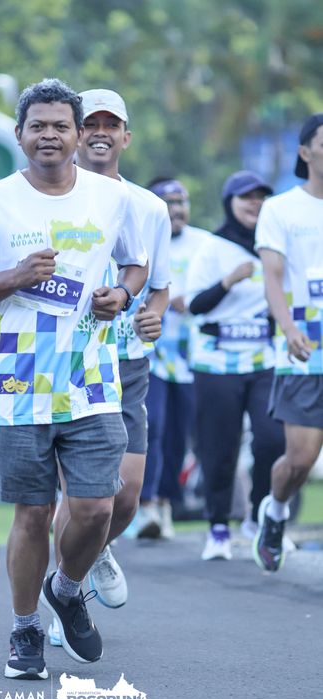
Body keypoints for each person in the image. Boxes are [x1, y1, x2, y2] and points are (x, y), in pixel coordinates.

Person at [0, 78, 148, 680]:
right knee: (33, 515)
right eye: (38, 126)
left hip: (92, 379)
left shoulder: (111, 199)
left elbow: (136, 264)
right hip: (17, 383)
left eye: (62, 126)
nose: (50, 136)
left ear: (79, 134)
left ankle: (66, 587)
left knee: (97, 508)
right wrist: (14, 276)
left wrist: (121, 295)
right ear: (19, 135)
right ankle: (25, 628)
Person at [49, 88, 170, 634]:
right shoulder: (49, 197)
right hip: (69, 360)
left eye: (110, 124)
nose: (100, 133)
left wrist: (152, 317)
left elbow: (158, 286)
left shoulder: (150, 207)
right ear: (76, 133)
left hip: (127, 362)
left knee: (125, 499)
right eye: (90, 123)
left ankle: (94, 550)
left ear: (126, 137)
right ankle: (65, 597)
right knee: (78, 498)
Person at [185, 170, 286, 561]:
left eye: (261, 198)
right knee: (220, 448)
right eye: (246, 198)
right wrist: (229, 281)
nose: (254, 204)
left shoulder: (274, 245)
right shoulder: (212, 247)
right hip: (216, 363)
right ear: (230, 203)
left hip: (265, 360)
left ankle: (258, 517)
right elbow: (194, 305)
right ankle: (218, 528)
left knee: (273, 440)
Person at [253, 113, 323, 572]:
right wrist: (288, 329)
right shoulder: (280, 209)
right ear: (304, 152)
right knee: (300, 460)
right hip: (305, 350)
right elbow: (272, 278)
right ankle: (275, 511)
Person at [137, 178, 209, 539]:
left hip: (193, 358)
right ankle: (145, 504)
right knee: (153, 426)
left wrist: (193, 301)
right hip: (150, 354)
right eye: (169, 202)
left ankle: (166, 503)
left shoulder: (206, 244)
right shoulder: (141, 241)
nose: (177, 209)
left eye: (182, 201)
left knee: (179, 435)